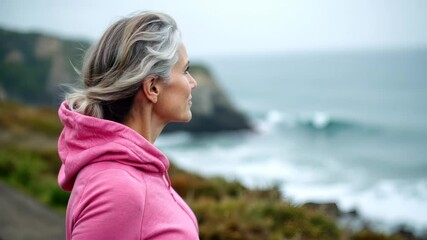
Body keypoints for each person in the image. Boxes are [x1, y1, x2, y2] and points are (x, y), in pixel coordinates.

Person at [57, 11, 199, 240]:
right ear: (152, 87)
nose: (193, 82)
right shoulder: (119, 189)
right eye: (185, 70)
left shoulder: (134, 170)